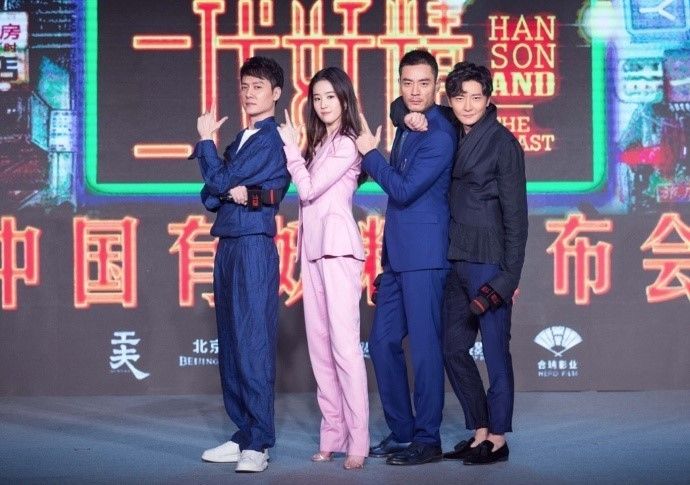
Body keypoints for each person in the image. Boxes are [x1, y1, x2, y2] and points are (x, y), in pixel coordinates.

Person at [393, 61, 528, 465]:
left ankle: (498, 438)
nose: (468, 105)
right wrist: (408, 116)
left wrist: (508, 278)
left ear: (488, 99)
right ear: (449, 99)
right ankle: (479, 429)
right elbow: (402, 106)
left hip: (490, 262)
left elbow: (517, 218)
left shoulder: (503, 143)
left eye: (476, 97)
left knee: (496, 352)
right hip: (455, 258)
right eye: (460, 97)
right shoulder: (451, 125)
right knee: (452, 348)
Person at [355, 49, 457, 466]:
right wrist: (402, 115)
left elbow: (402, 189)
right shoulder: (408, 120)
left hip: (427, 256)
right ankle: (401, 432)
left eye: (424, 83)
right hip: (397, 257)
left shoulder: (440, 135)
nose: (415, 91)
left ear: (437, 86)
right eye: (407, 83)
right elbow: (401, 109)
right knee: (381, 344)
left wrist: (369, 153)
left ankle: (427, 438)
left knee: (426, 349)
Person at [188, 56, 290, 473]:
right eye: (245, 86)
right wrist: (227, 186)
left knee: (252, 342)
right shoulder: (240, 139)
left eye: (258, 86)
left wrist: (206, 144)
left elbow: (218, 181)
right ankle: (243, 433)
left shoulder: (270, 139)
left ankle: (259, 443)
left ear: (276, 94)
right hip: (229, 242)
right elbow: (210, 195)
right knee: (231, 342)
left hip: (252, 245)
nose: (249, 93)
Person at [276, 66, 369, 470]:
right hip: (313, 253)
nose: (323, 104)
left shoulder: (348, 143)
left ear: (345, 99)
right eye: (317, 98)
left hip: (338, 252)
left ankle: (359, 441)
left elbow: (310, 189)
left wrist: (290, 150)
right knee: (320, 350)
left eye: (330, 96)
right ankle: (332, 436)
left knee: (345, 349)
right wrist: (300, 151)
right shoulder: (320, 144)